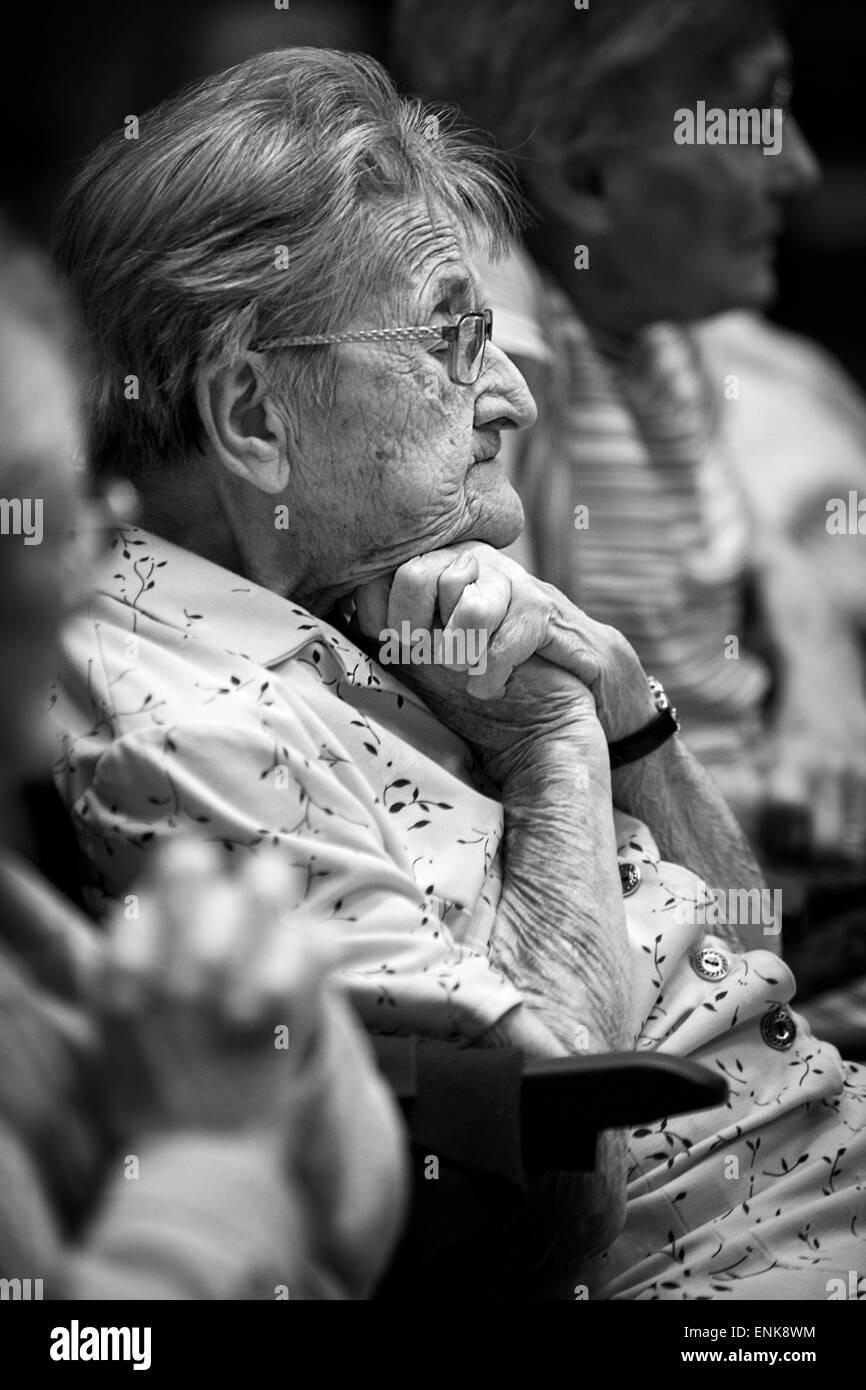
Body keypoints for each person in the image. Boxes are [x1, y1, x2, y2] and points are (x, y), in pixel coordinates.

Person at [49, 47, 865, 1298]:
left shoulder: (367, 596)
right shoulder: (178, 722)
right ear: (255, 418)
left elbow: (752, 967)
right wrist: (551, 752)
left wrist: (623, 714)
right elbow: (542, 1171)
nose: (509, 402)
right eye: (452, 334)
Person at [0, 221, 407, 1300]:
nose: (96, 577)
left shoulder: (25, 933)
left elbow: (338, 1233)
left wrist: (284, 1034)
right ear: (247, 415)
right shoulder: (178, 722)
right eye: (47, 517)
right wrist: (212, 1155)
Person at [390, 0, 866, 866]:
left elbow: (757, 557)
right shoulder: (508, 359)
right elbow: (515, 739)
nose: (796, 167)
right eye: (757, 115)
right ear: (587, 180)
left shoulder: (661, 330)